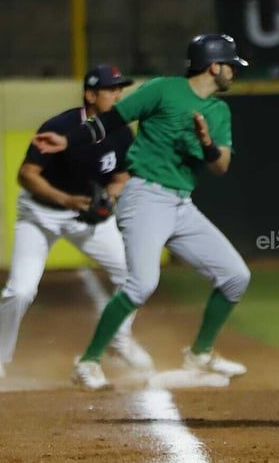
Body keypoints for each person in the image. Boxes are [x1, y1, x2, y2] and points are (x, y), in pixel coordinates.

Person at [33, 34, 252, 390]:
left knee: (235, 276)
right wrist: (68, 140)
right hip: (145, 196)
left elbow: (221, 165)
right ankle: (88, 362)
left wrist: (207, 143)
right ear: (215, 66)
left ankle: (200, 353)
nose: (233, 72)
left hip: (181, 204)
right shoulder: (163, 90)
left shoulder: (218, 110)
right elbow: (112, 120)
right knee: (142, 284)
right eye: (231, 65)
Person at [0, 65, 154, 379]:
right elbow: (26, 175)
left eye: (120, 89)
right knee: (21, 291)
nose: (118, 95)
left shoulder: (121, 130)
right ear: (90, 95)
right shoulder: (59, 127)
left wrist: (110, 198)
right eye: (111, 90)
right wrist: (66, 200)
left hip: (86, 218)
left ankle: (120, 340)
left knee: (134, 277)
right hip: (39, 215)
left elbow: (121, 176)